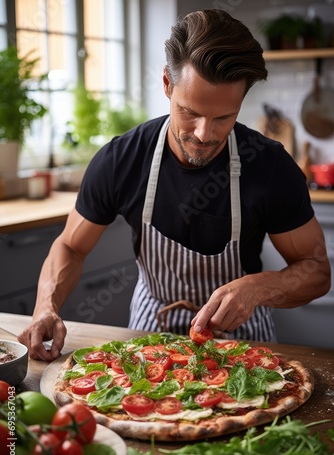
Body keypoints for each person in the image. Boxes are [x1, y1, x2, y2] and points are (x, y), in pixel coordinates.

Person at [18, 9, 331, 361]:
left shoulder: (270, 166)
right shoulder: (122, 159)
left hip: (242, 346)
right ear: (167, 84)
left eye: (223, 118)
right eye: (190, 112)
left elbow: (317, 270)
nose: (203, 134)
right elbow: (71, 248)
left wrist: (260, 287)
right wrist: (46, 306)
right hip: (148, 342)